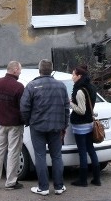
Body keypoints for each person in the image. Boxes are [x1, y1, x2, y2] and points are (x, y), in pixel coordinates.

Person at [20, 59, 69, 196]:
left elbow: (24, 107)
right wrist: (64, 125)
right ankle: (59, 186)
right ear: (51, 70)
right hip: (56, 127)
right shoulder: (61, 86)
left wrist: (28, 121)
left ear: (39, 70)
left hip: (38, 126)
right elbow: (66, 107)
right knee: (57, 156)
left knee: (40, 156)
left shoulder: (32, 86)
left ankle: (43, 187)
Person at [0, 61, 26, 191]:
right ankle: (11, 182)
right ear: (14, 70)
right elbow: (22, 108)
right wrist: (23, 120)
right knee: (13, 152)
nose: (20, 72)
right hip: (15, 124)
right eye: (19, 70)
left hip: (1, 122)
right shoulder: (19, 87)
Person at [69, 65, 102, 187]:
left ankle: (83, 180)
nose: (72, 76)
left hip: (80, 125)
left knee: (82, 152)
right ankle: (97, 179)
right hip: (89, 123)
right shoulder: (91, 87)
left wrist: (70, 103)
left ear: (79, 76)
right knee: (91, 150)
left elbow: (81, 110)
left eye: (73, 74)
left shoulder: (79, 91)